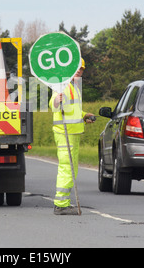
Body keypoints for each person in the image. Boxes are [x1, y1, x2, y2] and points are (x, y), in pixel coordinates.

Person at [49, 58, 95, 215]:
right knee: (66, 167)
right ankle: (60, 204)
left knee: (72, 168)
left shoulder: (75, 87)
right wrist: (56, 100)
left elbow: (72, 111)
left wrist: (84, 116)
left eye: (81, 69)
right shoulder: (62, 85)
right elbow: (53, 104)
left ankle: (64, 202)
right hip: (64, 133)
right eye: (76, 68)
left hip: (74, 133)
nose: (79, 71)